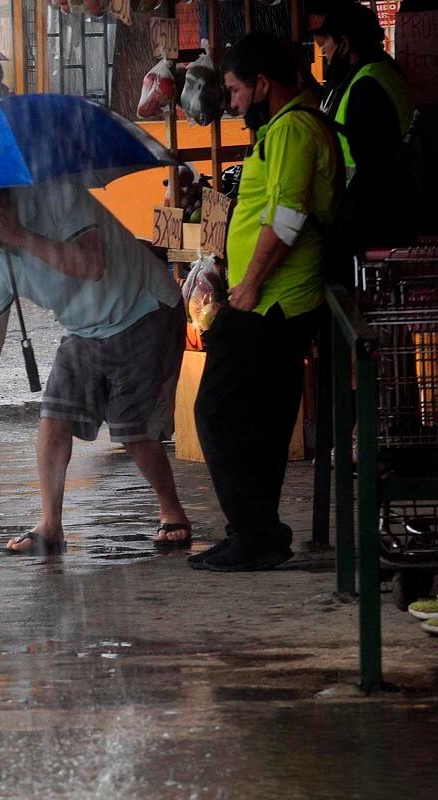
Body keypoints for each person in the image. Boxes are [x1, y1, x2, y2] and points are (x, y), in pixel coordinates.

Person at [0, 181, 190, 553]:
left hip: (142, 308)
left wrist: (22, 236)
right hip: (83, 328)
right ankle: (51, 526)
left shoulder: (57, 195)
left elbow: (92, 265)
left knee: (132, 429)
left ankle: (172, 510)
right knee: (53, 419)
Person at [192, 32, 343, 573]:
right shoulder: (285, 128)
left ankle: (255, 533)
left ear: (262, 84)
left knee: (218, 412)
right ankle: (255, 533)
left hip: (274, 302)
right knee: (260, 420)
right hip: (270, 300)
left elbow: (287, 216)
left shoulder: (294, 129)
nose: (232, 103)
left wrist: (251, 283)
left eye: (235, 90)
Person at [313, 0, 418, 249]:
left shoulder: (365, 87)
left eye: (327, 43)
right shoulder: (383, 72)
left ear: (344, 44)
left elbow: (372, 172)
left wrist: (342, 233)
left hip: (372, 228)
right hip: (385, 218)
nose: (324, 51)